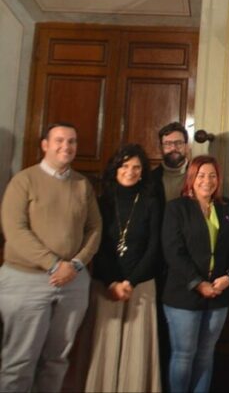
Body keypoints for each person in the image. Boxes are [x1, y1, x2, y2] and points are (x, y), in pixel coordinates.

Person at [0, 122, 101, 392]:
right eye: (59, 140)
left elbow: (95, 228)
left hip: (74, 282)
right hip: (26, 281)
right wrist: (55, 264)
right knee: (19, 360)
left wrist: (77, 264)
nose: (66, 146)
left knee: (57, 359)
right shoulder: (23, 181)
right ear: (45, 145)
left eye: (72, 141)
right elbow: (14, 230)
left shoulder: (82, 184)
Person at [84, 143, 164, 392]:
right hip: (106, 285)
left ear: (142, 172)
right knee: (104, 346)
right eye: (125, 166)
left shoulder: (151, 202)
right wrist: (112, 282)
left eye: (136, 167)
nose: (130, 171)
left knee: (136, 349)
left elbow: (155, 247)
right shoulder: (101, 202)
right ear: (116, 168)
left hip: (140, 286)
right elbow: (98, 245)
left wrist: (131, 281)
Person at [161, 155, 229, 393]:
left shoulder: (228, 207)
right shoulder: (176, 208)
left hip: (220, 294)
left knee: (206, 354)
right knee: (184, 355)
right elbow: (173, 252)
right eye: (201, 175)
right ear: (191, 178)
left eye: (212, 175)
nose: (207, 181)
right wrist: (198, 283)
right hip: (184, 294)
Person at [151, 122, 191, 204]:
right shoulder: (150, 179)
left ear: (186, 146)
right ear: (160, 148)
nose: (173, 148)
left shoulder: (198, 175)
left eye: (178, 143)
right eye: (168, 144)